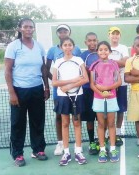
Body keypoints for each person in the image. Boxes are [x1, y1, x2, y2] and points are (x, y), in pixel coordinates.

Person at [5, 18, 50, 167]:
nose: (29, 29)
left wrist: (46, 86)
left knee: (38, 121)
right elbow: (7, 71)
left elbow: (43, 69)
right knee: (18, 123)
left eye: (31, 27)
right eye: (26, 27)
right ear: (20, 29)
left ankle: (38, 150)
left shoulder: (39, 46)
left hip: (37, 88)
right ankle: (17, 154)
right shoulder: (13, 46)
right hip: (19, 90)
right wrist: (12, 93)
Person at [46, 24, 82, 156]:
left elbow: (80, 71)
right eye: (60, 31)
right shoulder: (52, 50)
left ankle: (78, 148)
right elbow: (47, 68)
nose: (63, 33)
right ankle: (60, 143)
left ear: (69, 32)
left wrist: (71, 84)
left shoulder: (76, 50)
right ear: (57, 34)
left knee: (76, 118)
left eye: (65, 30)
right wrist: (57, 83)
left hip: (75, 90)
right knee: (59, 116)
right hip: (59, 91)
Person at [52, 37, 89, 166]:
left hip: (77, 95)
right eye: (65, 45)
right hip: (62, 97)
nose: (67, 47)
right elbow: (55, 82)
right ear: (61, 47)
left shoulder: (79, 60)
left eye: (70, 45)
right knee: (65, 123)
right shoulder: (57, 62)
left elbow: (85, 79)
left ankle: (78, 151)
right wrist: (72, 81)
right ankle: (66, 153)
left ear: (73, 47)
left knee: (77, 123)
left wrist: (69, 86)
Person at [90, 41, 122, 163]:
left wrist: (106, 89)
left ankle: (113, 148)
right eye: (101, 49)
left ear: (109, 51)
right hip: (98, 98)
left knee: (111, 124)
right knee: (101, 124)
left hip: (111, 97)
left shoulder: (114, 64)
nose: (103, 51)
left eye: (105, 49)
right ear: (97, 51)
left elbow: (118, 82)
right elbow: (92, 84)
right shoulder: (94, 65)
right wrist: (101, 92)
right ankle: (103, 149)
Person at [108, 27, 129, 146]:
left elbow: (125, 62)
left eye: (117, 34)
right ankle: (107, 133)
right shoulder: (105, 46)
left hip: (121, 83)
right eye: (112, 34)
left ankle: (118, 132)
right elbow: (102, 62)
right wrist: (117, 62)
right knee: (108, 109)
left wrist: (109, 63)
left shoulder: (123, 48)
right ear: (109, 35)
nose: (115, 36)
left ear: (119, 36)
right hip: (107, 84)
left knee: (120, 109)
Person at [80, 32, 99, 155]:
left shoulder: (102, 53)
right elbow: (82, 73)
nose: (92, 43)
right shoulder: (82, 56)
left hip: (101, 89)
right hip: (87, 90)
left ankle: (102, 141)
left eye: (94, 40)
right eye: (90, 40)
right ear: (85, 42)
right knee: (90, 118)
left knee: (103, 117)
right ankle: (92, 142)